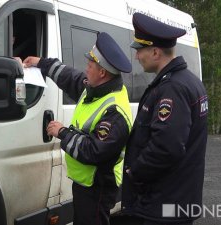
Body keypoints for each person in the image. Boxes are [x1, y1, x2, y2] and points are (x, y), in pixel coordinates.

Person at [23, 32, 133, 225]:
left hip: (98, 186)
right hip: (86, 183)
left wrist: (62, 132)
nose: (86, 69)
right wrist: (41, 62)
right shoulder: (95, 88)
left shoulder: (114, 112)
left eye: (90, 66)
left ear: (102, 73)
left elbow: (93, 151)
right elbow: (68, 76)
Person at [122, 13, 208, 225]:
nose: (136, 57)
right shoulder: (189, 81)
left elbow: (166, 146)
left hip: (165, 202)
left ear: (155, 52)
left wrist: (135, 172)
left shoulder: (172, 88)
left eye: (139, 50)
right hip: (179, 198)